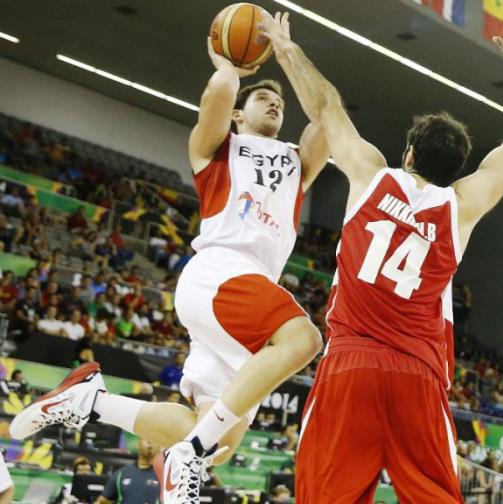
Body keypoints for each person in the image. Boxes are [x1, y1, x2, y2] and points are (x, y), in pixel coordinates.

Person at [10, 32, 331, 504]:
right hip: (222, 272)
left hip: (241, 296)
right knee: (305, 339)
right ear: (240, 114)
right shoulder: (216, 149)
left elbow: (327, 117)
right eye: (263, 97)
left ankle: (89, 402)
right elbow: (215, 99)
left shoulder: (296, 163)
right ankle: (187, 455)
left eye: (278, 101)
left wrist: (291, 56)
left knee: (217, 442)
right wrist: (229, 68)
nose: (274, 103)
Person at [257, 7, 503, 502]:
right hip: (418, 373)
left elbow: (326, 105)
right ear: (455, 169)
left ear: (408, 154)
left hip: (352, 363)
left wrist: (286, 50)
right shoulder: (460, 206)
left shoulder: (371, 174)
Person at [95, 439, 160, 504]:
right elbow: (102, 501)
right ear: (138, 444)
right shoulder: (121, 474)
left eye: (154, 440)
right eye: (146, 439)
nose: (150, 443)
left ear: (160, 447)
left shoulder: (164, 476)